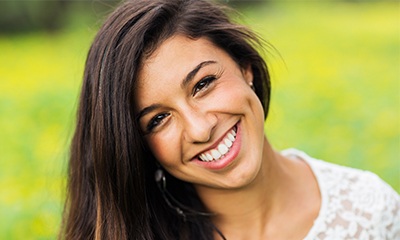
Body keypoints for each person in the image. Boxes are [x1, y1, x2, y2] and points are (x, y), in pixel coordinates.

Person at [60, 0, 400, 239]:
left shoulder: (371, 212)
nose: (199, 127)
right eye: (159, 119)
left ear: (245, 67)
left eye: (203, 84)